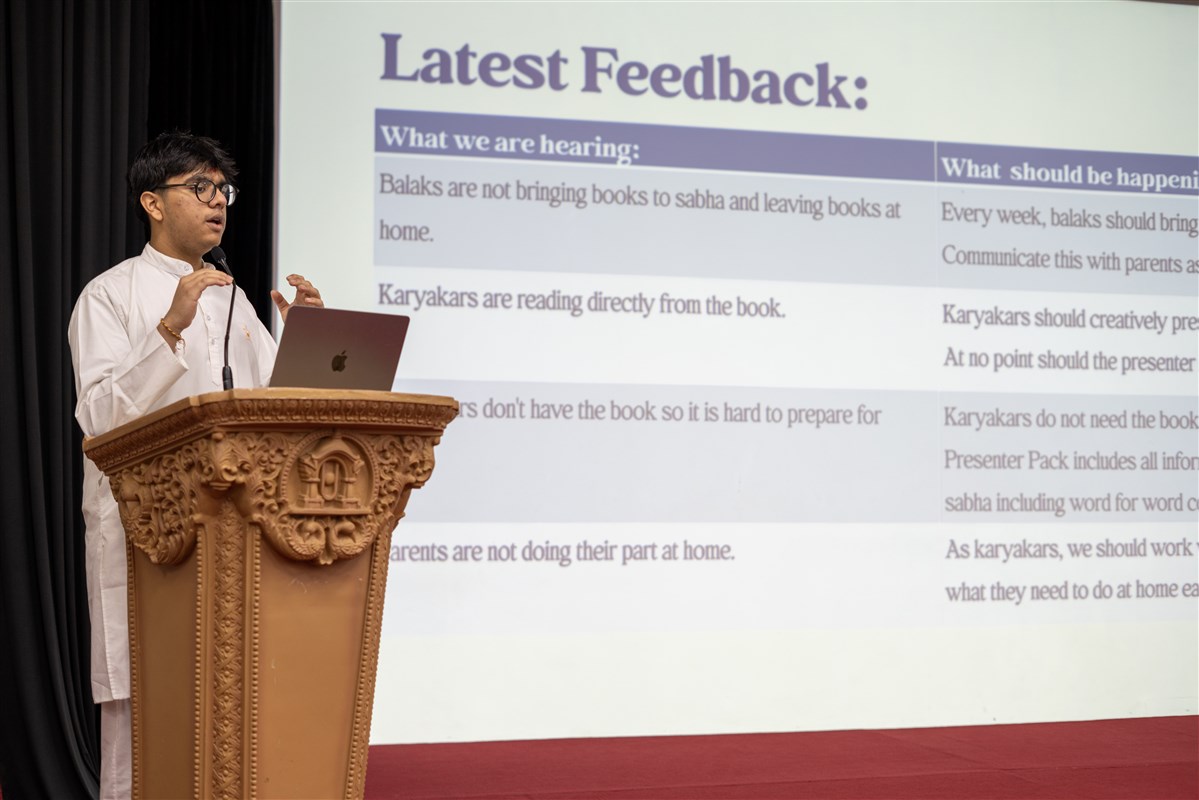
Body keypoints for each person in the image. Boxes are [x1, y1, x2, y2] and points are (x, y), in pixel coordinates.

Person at [68, 132, 323, 799]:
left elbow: (277, 414)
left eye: (223, 190)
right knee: (145, 724)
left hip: (237, 538)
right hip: (147, 535)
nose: (218, 203)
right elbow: (98, 417)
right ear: (152, 203)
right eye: (201, 188)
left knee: (233, 714)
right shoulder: (110, 295)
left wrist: (310, 344)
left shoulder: (235, 301)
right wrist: (169, 330)